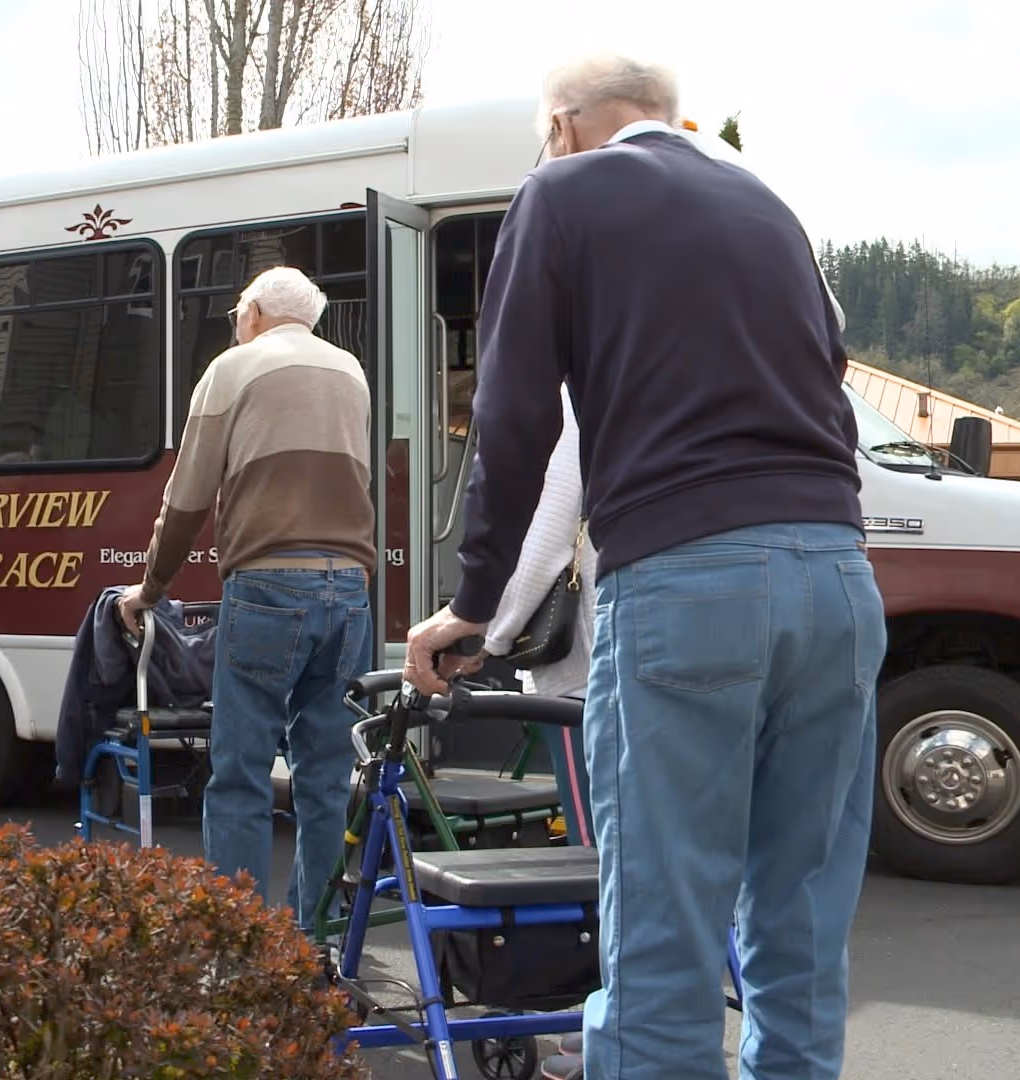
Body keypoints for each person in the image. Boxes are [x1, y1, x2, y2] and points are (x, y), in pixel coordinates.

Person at [404, 54, 883, 1080]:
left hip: (686, 577)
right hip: (838, 578)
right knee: (801, 927)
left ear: (567, 126)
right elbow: (829, 383)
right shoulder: (771, 209)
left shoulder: (564, 191)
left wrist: (474, 606)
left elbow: (515, 414)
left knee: (664, 938)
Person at [117, 265, 375, 934]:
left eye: (238, 312)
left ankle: (241, 946)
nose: (237, 323)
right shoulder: (351, 372)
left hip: (268, 584)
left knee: (239, 774)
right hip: (349, 588)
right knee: (324, 775)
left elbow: (187, 498)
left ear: (255, 312)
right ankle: (315, 939)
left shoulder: (234, 369)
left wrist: (151, 588)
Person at [479, 385, 597, 850]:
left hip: (588, 668)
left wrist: (490, 636)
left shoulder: (583, 387)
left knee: (597, 853)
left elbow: (547, 535)